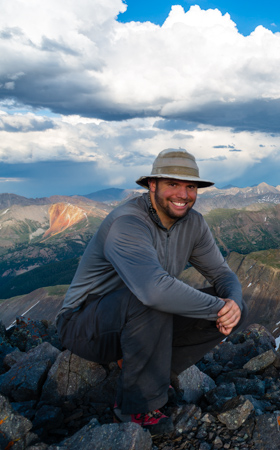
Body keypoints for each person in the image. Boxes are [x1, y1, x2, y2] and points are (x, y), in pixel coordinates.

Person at [56, 148, 247, 435]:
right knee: (154, 299)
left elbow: (221, 273)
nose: (183, 194)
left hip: (137, 321)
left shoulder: (193, 223)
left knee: (237, 308)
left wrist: (233, 303)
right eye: (173, 184)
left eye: (191, 186)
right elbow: (153, 291)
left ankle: (154, 373)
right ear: (152, 185)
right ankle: (135, 407)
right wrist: (217, 307)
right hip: (85, 324)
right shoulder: (128, 222)